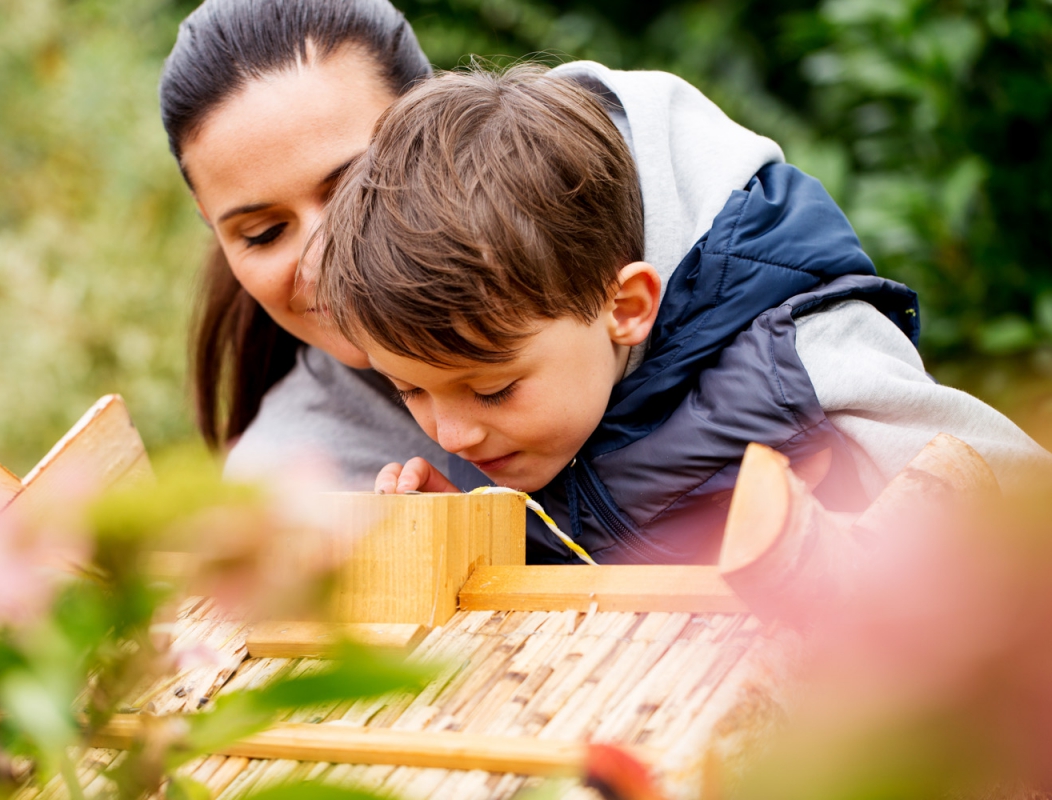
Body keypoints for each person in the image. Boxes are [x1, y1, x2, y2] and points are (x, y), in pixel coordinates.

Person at [160, 0, 1049, 562]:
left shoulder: (772, 324)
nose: (323, 258)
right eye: (264, 230)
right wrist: (455, 542)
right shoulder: (291, 470)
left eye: (354, 185)